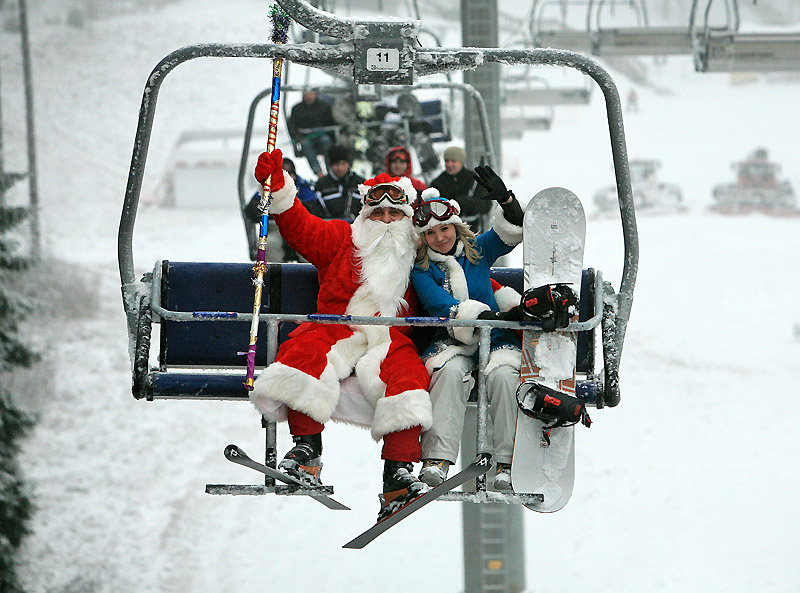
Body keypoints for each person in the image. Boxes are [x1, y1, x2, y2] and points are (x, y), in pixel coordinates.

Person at [249, 148, 433, 521]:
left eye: (393, 213)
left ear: (407, 218)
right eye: (377, 212)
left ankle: (397, 476)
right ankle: (306, 452)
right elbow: (301, 226)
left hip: (390, 337)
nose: (384, 220)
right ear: (365, 214)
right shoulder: (340, 239)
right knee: (304, 354)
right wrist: (280, 187)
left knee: (409, 378)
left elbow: (465, 274)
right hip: (334, 326)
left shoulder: (421, 252)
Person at [409, 165, 526, 491]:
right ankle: (438, 457)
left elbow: (512, 232)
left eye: (445, 229)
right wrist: (479, 315)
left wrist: (506, 200)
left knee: (505, 376)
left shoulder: (478, 251)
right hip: (452, 340)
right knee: (449, 373)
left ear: (457, 227)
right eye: (431, 234)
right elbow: (438, 304)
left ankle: (508, 460)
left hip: (497, 339)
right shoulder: (422, 269)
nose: (440, 238)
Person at [243, 157, 315, 262]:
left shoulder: (303, 187)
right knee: (269, 245)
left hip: (301, 229)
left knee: (309, 245)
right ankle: (273, 276)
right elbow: (250, 210)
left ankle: (308, 274)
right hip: (275, 229)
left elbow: (314, 208)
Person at [430, 146, 492, 233]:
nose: (449, 164)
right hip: (446, 232)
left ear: (461, 162)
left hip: (473, 230)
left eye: (453, 161)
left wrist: (467, 203)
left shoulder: (475, 180)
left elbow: (486, 205)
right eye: (447, 161)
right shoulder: (437, 183)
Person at [306, 144, 366, 222]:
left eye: (343, 164)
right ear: (331, 165)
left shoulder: (360, 183)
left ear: (348, 164)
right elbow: (316, 210)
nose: (340, 168)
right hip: (330, 227)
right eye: (336, 164)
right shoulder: (322, 185)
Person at [288, 89, 337, 178]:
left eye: (311, 94)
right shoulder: (297, 109)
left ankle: (330, 169)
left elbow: (331, 122)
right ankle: (318, 172)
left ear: (315, 94)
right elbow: (292, 126)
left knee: (326, 142)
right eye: (307, 94)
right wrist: (297, 136)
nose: (309, 97)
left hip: (322, 135)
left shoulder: (324, 106)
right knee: (306, 144)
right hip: (306, 137)